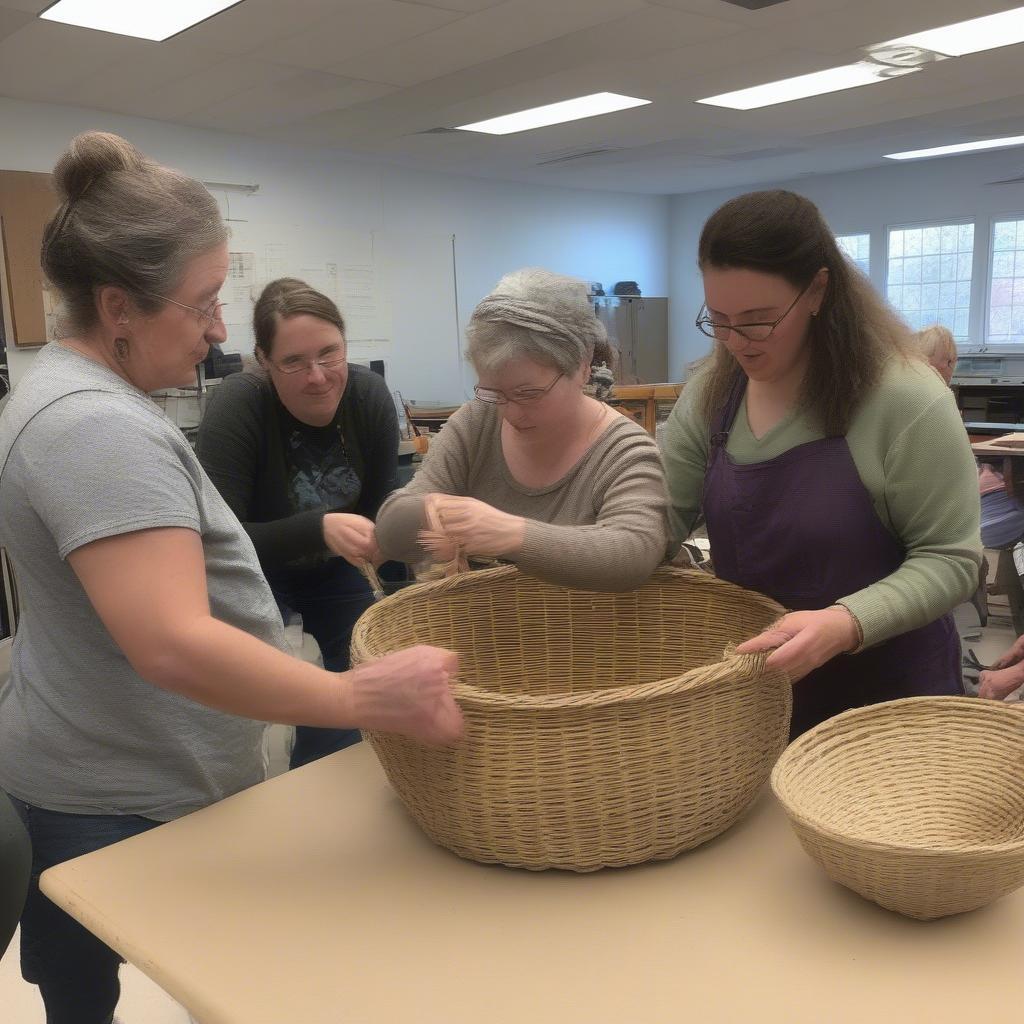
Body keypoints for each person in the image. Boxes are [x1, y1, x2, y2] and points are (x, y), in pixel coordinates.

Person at [0, 131, 461, 1024]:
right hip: (112, 796)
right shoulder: (93, 429)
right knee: (102, 994)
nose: (219, 330)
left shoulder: (71, 400)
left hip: (124, 769)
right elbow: (173, 641)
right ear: (118, 306)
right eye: (203, 303)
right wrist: (367, 697)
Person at [663, 190, 982, 738]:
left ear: (817, 289)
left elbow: (952, 558)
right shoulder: (710, 396)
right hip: (763, 695)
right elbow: (659, 521)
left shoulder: (904, 400)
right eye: (718, 320)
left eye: (759, 321)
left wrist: (846, 622)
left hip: (892, 706)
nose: (736, 341)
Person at [197, 279, 398, 768]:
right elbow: (213, 541)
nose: (318, 376)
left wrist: (395, 534)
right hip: (253, 571)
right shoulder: (238, 405)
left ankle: (323, 781)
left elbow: (377, 511)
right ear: (264, 361)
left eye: (330, 354)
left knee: (358, 685)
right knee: (269, 695)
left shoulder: (368, 398)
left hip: (335, 571)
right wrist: (318, 528)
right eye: (294, 362)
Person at [375, 268, 670, 591]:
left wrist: (511, 534)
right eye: (494, 392)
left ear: (583, 366)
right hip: (473, 633)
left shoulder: (624, 451)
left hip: (583, 637)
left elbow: (632, 554)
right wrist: (434, 512)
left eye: (529, 393)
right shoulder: (478, 422)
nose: (510, 412)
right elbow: (391, 529)